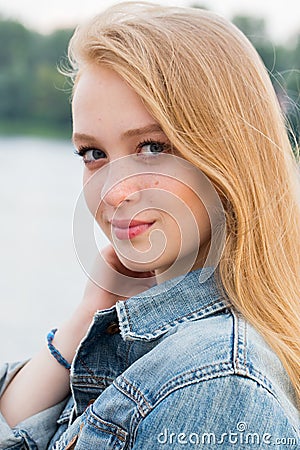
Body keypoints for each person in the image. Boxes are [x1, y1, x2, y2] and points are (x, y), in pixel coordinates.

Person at [0, 2, 299, 448]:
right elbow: (14, 428)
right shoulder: (144, 339)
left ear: (229, 158)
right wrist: (88, 315)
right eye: (93, 154)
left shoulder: (218, 388)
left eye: (152, 147)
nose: (114, 192)